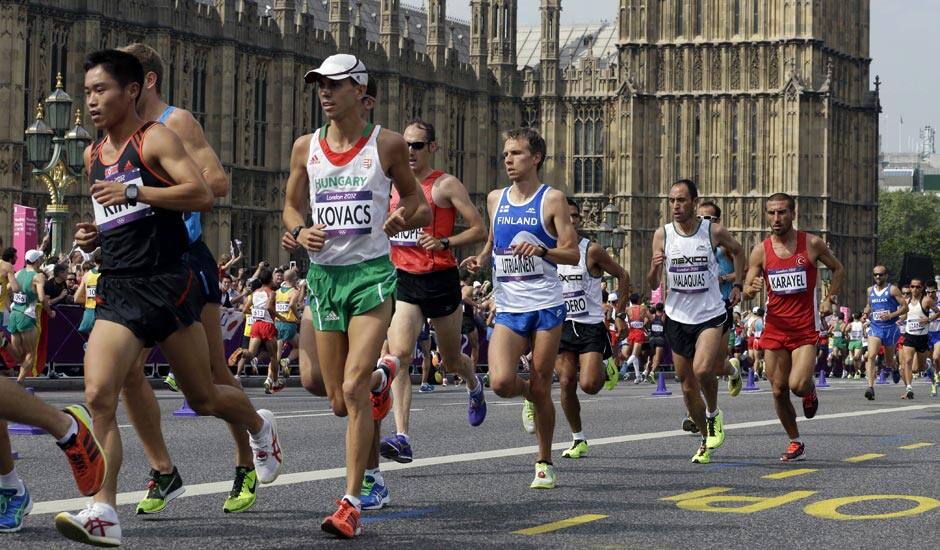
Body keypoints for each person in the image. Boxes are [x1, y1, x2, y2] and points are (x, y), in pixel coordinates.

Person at [55, 49, 281, 546]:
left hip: (167, 283)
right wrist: (96, 234)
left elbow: (201, 193)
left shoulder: (155, 138)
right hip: (119, 285)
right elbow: (117, 217)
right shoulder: (95, 153)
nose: (91, 101)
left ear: (132, 90)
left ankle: (257, 425)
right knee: (99, 396)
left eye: (101, 90)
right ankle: (103, 512)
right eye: (87, 91)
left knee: (202, 396)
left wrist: (137, 194)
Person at [108, 42, 266, 516]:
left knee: (212, 377)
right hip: (136, 263)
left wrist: (149, 189)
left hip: (184, 259)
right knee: (125, 373)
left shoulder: (175, 123)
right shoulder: (118, 135)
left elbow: (215, 183)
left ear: (146, 81)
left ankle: (247, 459)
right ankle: (163, 469)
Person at [281, 54, 430, 538]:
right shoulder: (306, 147)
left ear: (359, 91)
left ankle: (351, 502)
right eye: (320, 84)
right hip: (324, 279)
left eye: (334, 84)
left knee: (351, 387)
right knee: (339, 400)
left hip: (370, 277)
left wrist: (402, 216)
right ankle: (381, 380)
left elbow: (419, 205)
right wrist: (300, 230)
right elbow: (289, 207)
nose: (324, 92)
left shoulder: (385, 144)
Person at [462, 127, 579, 489]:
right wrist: (481, 258)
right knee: (499, 382)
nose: (508, 160)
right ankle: (529, 394)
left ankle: (543, 461)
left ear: (536, 158)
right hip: (511, 304)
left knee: (544, 383)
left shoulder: (552, 199)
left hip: (545, 303)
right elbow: (497, 238)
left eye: (516, 153)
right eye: (506, 154)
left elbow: (572, 252)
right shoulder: (496, 198)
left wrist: (543, 251)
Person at [375, 117, 488, 487]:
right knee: (401, 357)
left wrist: (446, 244)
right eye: (406, 144)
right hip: (404, 279)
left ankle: (473, 383)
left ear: (433, 148)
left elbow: (478, 228)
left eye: (418, 145)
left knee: (451, 360)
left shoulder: (444, 185)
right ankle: (403, 437)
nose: (410, 151)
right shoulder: (392, 185)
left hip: (440, 280)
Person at [646, 179, 744, 465]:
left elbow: (738, 251)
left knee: (703, 370)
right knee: (687, 386)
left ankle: (714, 414)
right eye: (672, 201)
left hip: (710, 313)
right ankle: (705, 436)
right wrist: (653, 270)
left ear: (694, 202)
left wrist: (738, 284)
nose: (676, 206)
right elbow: (653, 282)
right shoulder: (661, 234)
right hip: (677, 316)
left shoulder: (712, 230)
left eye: (681, 200)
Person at [743, 193, 844, 462]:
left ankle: (809, 391)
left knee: (797, 385)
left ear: (793, 214)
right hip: (774, 329)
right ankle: (795, 440)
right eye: (771, 213)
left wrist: (828, 298)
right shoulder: (760, 250)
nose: (776, 218)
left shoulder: (811, 244)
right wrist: (749, 290)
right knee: (778, 389)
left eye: (782, 212)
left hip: (803, 330)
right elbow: (748, 285)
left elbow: (838, 269)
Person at [554, 197, 629, 459]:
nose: (571, 220)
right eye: (566, 215)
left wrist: (619, 312)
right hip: (561, 325)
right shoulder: (549, 251)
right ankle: (578, 438)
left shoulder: (591, 250)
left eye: (574, 216)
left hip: (590, 326)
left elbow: (623, 275)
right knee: (565, 382)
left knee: (589, 385)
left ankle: (607, 364)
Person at [863, 266, 907, 400]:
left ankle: (894, 367)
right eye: (875, 274)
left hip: (890, 328)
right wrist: (865, 314)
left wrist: (892, 315)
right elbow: (869, 306)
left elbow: (905, 307)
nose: (877, 277)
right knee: (871, 356)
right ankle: (870, 388)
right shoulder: (870, 290)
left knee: (888, 361)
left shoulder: (893, 289)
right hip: (875, 327)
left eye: (880, 275)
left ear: (886, 275)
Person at [9, 250, 50, 382]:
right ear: (37, 261)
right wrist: (50, 312)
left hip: (14, 314)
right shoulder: (38, 276)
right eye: (41, 259)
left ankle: (4, 345)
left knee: (19, 355)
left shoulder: (19, 273)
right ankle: (19, 383)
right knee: (31, 354)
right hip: (27, 315)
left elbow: (8, 288)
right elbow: (42, 298)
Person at [899, 278, 934, 399]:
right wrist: (898, 320)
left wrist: (928, 319)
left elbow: (938, 312)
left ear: (922, 288)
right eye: (912, 286)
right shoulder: (906, 301)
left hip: (922, 338)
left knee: (918, 368)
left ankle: (928, 366)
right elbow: (904, 315)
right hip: (909, 337)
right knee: (907, 361)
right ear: (910, 287)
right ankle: (909, 388)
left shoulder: (926, 301)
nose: (914, 289)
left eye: (918, 287)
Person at [274, 268, 303, 376]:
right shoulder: (294, 291)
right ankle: (274, 374)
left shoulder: (277, 292)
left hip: (278, 323)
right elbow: (291, 305)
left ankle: (285, 362)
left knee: (299, 346)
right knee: (279, 350)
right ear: (294, 279)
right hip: (289, 323)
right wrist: (298, 317)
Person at [74, 252, 102, 336]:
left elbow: (76, 299)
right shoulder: (109, 275)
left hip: (89, 314)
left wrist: (90, 299)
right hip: (104, 314)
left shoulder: (87, 275)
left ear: (94, 261)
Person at [927, 281, 940, 396]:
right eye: (928, 292)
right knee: (929, 362)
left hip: (938, 334)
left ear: (936, 291)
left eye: (933, 292)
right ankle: (933, 384)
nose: (930, 294)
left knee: (936, 358)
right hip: (927, 334)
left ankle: (938, 373)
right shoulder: (925, 301)